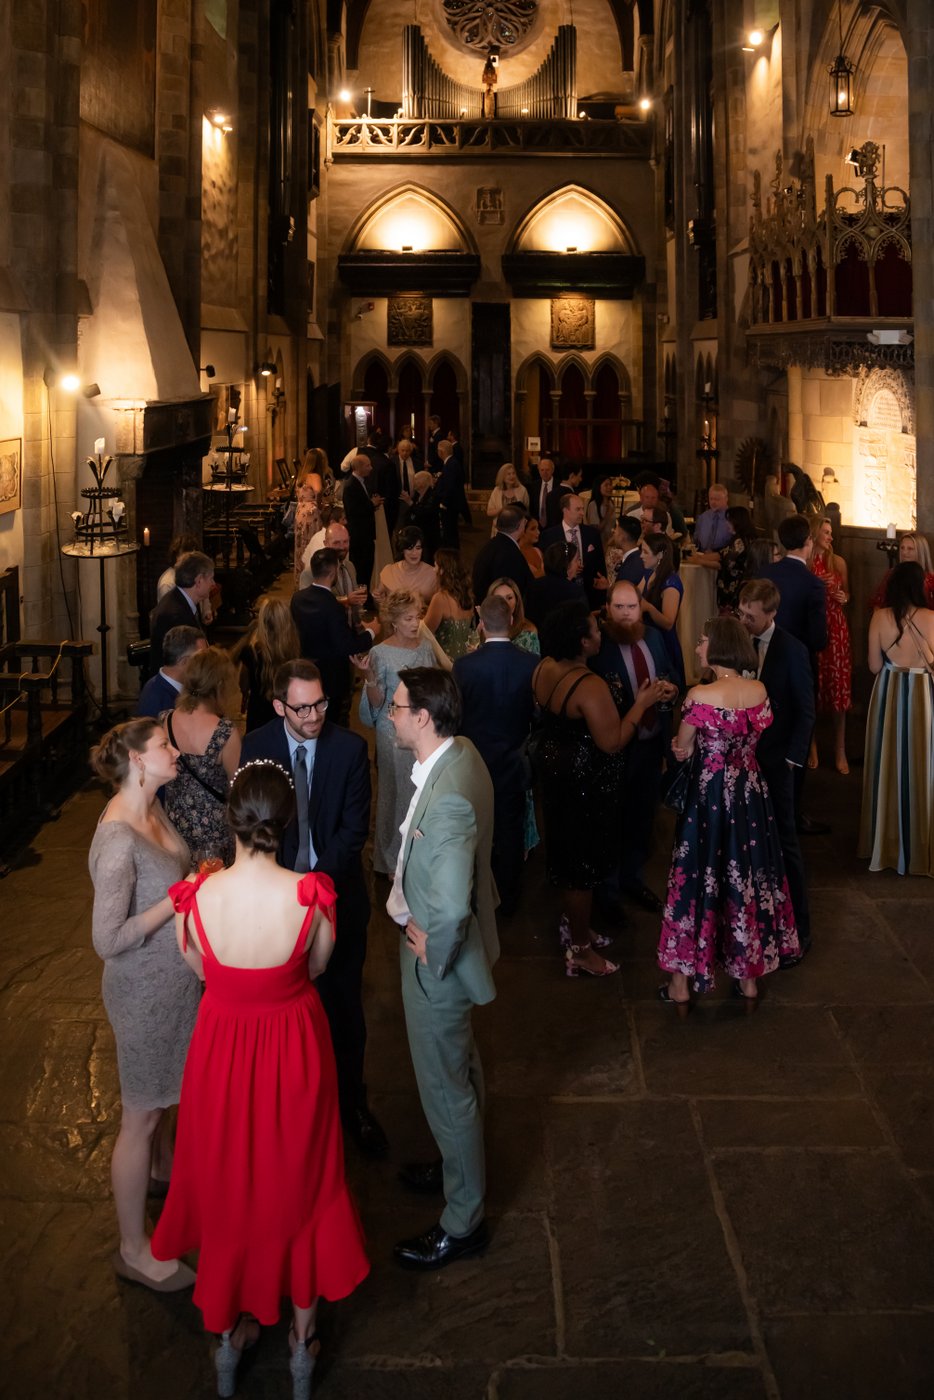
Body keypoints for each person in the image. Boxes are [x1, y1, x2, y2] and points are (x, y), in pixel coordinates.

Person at [150, 762, 369, 1397]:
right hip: (294, 1047)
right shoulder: (310, 894)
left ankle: (230, 1338)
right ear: (286, 820)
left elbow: (196, 968)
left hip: (221, 1050)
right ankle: (303, 1344)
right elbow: (319, 965)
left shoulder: (198, 897)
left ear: (232, 821)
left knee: (229, 1179)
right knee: (302, 1180)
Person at [240, 659, 387, 1157]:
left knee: (343, 1009)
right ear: (280, 705)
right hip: (273, 906)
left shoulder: (349, 749)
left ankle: (353, 1106)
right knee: (283, 1017)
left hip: (336, 897)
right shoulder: (257, 746)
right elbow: (253, 825)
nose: (314, 715)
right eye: (302, 707)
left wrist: (314, 885)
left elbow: (353, 832)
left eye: (321, 703)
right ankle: (291, 1114)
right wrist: (282, 888)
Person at [386, 668, 498, 1270]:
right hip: (448, 947)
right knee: (461, 1069)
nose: (391, 715)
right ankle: (458, 1162)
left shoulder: (449, 795)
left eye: (398, 707)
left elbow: (453, 904)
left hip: (439, 965)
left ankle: (463, 1220)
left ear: (423, 718)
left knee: (445, 1088)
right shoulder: (463, 754)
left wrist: (434, 951)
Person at [88, 719, 200, 1293]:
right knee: (142, 1115)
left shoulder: (152, 808)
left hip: (174, 987)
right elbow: (106, 940)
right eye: (164, 746)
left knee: (163, 1105)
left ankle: (160, 1171)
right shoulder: (116, 840)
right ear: (137, 760)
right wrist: (176, 904)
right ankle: (133, 1249)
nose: (174, 751)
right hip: (143, 997)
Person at [657, 617, 800, 1007]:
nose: (699, 647)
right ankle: (749, 979)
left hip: (709, 797)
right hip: (751, 793)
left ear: (717, 647)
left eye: (703, 641)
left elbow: (683, 747)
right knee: (748, 878)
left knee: (696, 880)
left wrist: (681, 748)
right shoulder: (759, 689)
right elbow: (759, 731)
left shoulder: (699, 696)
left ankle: (680, 985)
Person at [532, 600, 664, 976]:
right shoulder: (589, 685)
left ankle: (576, 927)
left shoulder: (543, 667)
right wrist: (641, 704)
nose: (600, 632)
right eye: (593, 629)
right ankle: (580, 951)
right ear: (582, 642)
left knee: (566, 854)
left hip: (555, 771)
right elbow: (613, 741)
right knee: (580, 866)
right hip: (582, 780)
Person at [590, 580, 680, 917]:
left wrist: (670, 687)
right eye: (619, 608)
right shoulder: (601, 647)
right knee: (613, 820)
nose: (627, 615)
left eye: (632, 607)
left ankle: (633, 878)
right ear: (608, 609)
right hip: (616, 748)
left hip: (650, 745)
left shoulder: (653, 637)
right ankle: (609, 894)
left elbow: (671, 671)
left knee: (643, 817)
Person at [738, 579, 815, 958]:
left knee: (785, 841)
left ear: (771, 614)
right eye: (742, 613)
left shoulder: (793, 650)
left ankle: (799, 927)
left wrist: (791, 759)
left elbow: (806, 710)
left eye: (752, 617)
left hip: (777, 759)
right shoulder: (738, 642)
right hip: (743, 759)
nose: (745, 621)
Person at [453, 594, 540, 916]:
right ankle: (508, 899)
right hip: (515, 760)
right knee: (510, 831)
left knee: (473, 831)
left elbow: (455, 716)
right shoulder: (530, 664)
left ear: (481, 624)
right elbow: (536, 714)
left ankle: (474, 895)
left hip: (474, 762)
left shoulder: (464, 666)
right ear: (510, 622)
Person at [859, 561, 934, 877]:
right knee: (923, 766)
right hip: (922, 693)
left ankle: (885, 842)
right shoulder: (932, 618)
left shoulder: (879, 616)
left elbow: (874, 667)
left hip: (889, 692)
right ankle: (920, 844)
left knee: (886, 766)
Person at [358, 590, 438, 874]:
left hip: (422, 730)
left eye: (417, 616)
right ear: (394, 622)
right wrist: (369, 679)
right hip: (392, 733)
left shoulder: (425, 648)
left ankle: (416, 855)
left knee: (420, 793)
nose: (415, 623)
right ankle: (391, 858)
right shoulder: (380, 653)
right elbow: (377, 705)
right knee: (393, 793)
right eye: (408, 618)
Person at [763, 513, 829, 835]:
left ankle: (761, 803)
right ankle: (791, 811)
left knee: (764, 733)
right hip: (799, 670)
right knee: (798, 731)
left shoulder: (765, 573)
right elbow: (819, 639)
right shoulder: (813, 584)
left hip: (763, 666)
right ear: (808, 543)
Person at [163, 646, 241, 866]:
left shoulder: (166, 720)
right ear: (220, 685)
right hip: (215, 839)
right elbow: (237, 790)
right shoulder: (225, 733)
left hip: (174, 830)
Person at [290, 547, 380, 724]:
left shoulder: (297, 598)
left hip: (304, 672)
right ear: (334, 572)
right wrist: (371, 632)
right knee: (332, 723)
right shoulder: (333, 606)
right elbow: (345, 646)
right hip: (331, 679)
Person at [809, 517, 852, 774]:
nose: (830, 537)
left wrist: (842, 597)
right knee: (814, 687)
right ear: (814, 534)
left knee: (838, 688)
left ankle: (840, 748)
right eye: (826, 532)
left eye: (831, 533)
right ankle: (811, 744)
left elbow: (848, 594)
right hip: (815, 626)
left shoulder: (838, 562)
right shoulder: (805, 562)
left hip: (836, 628)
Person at [235, 596, 301, 732]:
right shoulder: (295, 648)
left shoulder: (251, 651)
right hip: (287, 712)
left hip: (258, 715)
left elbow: (243, 684)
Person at [148, 550, 213, 675]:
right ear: (199, 581)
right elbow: (187, 667)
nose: (213, 584)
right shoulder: (176, 616)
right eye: (211, 578)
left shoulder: (179, 599)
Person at [541, 493, 608, 609]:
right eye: (578, 509)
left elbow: (600, 564)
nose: (582, 513)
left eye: (583, 509)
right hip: (561, 596)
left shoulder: (592, 534)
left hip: (590, 594)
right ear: (565, 510)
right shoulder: (549, 536)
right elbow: (547, 568)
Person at [638, 531, 685, 686]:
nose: (641, 556)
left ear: (659, 555)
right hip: (648, 638)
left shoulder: (671, 582)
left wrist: (649, 608)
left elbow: (668, 623)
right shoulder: (649, 574)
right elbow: (636, 595)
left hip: (663, 644)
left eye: (645, 552)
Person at [135, 624, 206, 718]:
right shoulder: (155, 701)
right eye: (203, 658)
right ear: (185, 661)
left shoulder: (186, 686)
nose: (207, 663)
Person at [472, 504, 533, 604]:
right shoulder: (509, 554)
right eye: (524, 522)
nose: (526, 523)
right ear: (519, 526)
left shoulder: (493, 545)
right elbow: (511, 592)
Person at [341, 453, 383, 595]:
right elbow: (353, 511)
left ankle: (365, 597)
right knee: (361, 568)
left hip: (365, 534)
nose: (371, 468)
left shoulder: (362, 482)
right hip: (359, 536)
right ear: (358, 467)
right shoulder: (351, 485)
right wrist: (372, 504)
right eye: (367, 465)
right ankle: (361, 598)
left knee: (367, 567)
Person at [423, 548, 476, 661]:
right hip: (464, 661)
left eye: (435, 565)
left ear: (442, 570)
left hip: (445, 663)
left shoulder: (440, 599)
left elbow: (425, 633)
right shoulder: (468, 597)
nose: (433, 569)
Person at [524, 541, 581, 630]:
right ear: (567, 564)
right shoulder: (573, 591)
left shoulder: (533, 586)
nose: (579, 564)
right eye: (577, 560)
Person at [869, 533, 934, 610]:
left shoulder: (930, 580)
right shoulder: (891, 574)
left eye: (910, 549)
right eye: (902, 548)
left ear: (921, 552)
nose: (904, 552)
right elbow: (878, 604)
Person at [377, 524, 438, 605]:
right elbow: (379, 602)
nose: (414, 553)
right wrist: (377, 599)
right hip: (394, 616)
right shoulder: (389, 571)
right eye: (409, 548)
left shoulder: (432, 573)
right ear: (402, 550)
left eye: (418, 548)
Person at [292, 448, 326, 584]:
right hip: (310, 514)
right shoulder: (314, 476)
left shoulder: (302, 476)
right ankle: (312, 579)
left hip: (300, 512)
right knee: (311, 544)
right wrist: (319, 503)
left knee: (300, 545)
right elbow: (317, 490)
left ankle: (299, 580)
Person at [488, 577, 540, 654]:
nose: (505, 604)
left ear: (517, 601)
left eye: (509, 598)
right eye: (499, 599)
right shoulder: (484, 629)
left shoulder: (528, 634)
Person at [380, 436, 418, 537]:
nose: (405, 453)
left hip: (413, 499)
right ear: (398, 450)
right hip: (397, 500)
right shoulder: (392, 462)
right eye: (402, 450)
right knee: (398, 528)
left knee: (412, 526)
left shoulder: (417, 462)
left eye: (407, 451)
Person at [401, 468, 441, 561]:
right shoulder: (418, 495)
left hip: (429, 535)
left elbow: (424, 513)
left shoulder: (433, 496)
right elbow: (412, 512)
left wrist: (410, 502)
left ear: (424, 482)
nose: (414, 482)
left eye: (416, 480)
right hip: (418, 533)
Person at [434, 438, 466, 549]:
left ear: (441, 452)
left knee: (450, 532)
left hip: (450, 505)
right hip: (452, 503)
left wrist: (444, 503)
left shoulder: (451, 464)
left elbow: (450, 486)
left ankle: (452, 556)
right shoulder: (452, 462)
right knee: (451, 531)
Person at [605, 514, 644, 587]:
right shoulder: (634, 557)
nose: (612, 531)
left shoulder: (632, 566)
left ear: (622, 536)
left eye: (616, 528)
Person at [693, 483, 733, 552]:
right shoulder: (703, 517)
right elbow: (696, 541)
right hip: (701, 557)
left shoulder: (732, 518)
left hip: (723, 559)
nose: (713, 502)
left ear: (726, 499)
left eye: (717, 499)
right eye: (711, 499)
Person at [547, 462, 583, 527]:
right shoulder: (573, 497)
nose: (580, 479)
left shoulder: (550, 494)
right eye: (579, 476)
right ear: (571, 476)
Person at [584, 473, 618, 539]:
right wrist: (608, 514)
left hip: (610, 541)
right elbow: (595, 531)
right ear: (598, 487)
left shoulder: (611, 502)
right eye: (606, 485)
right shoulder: (593, 505)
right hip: (599, 542)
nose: (610, 487)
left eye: (610, 484)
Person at [528, 457, 556, 530]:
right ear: (539, 471)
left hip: (554, 526)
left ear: (552, 470)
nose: (544, 473)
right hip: (538, 527)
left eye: (547, 470)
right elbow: (531, 508)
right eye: (542, 470)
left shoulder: (559, 486)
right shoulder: (533, 486)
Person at [519, 514, 545, 578]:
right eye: (533, 529)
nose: (538, 532)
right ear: (522, 531)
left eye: (538, 528)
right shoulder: (516, 553)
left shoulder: (538, 551)